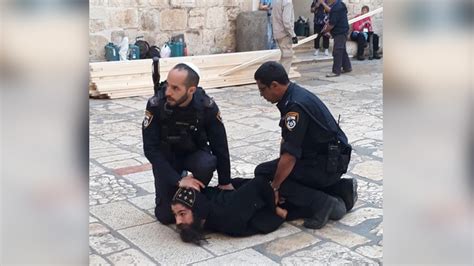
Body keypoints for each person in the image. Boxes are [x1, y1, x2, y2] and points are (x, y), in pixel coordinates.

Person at [253, 61, 357, 229]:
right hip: (327, 160)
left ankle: (322, 204)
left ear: (274, 85)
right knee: (276, 170)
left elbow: (290, 156)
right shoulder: (294, 95)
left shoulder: (295, 106)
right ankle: (341, 189)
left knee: (267, 175)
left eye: (262, 89)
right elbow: (287, 141)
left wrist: (275, 187)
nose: (261, 95)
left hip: (325, 165)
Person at [142, 62, 234, 225]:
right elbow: (150, 149)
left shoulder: (206, 106)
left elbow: (219, 144)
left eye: (175, 88)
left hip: (193, 153)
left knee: (207, 163)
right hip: (167, 158)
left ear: (191, 90)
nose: (168, 92)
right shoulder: (156, 104)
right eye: (168, 85)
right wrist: (177, 180)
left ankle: (193, 192)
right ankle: (181, 185)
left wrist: (225, 181)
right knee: (165, 216)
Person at [171, 178, 287, 245]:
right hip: (239, 195)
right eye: (176, 215)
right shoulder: (204, 214)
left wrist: (274, 207)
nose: (178, 222)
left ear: (197, 210)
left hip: (275, 192)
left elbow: (259, 183)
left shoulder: (228, 218)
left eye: (182, 214)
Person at [321, 0, 352, 77]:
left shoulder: (337, 7)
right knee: (342, 50)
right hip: (342, 31)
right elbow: (331, 18)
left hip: (340, 32)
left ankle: (335, 71)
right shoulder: (339, 4)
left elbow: (331, 24)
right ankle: (347, 67)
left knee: (337, 51)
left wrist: (324, 32)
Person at [272, 0, 298, 73]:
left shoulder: (276, 1)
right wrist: (293, 35)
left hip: (278, 32)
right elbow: (286, 21)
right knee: (287, 57)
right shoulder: (287, 2)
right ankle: (282, 80)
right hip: (284, 34)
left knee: (283, 57)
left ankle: (279, 78)